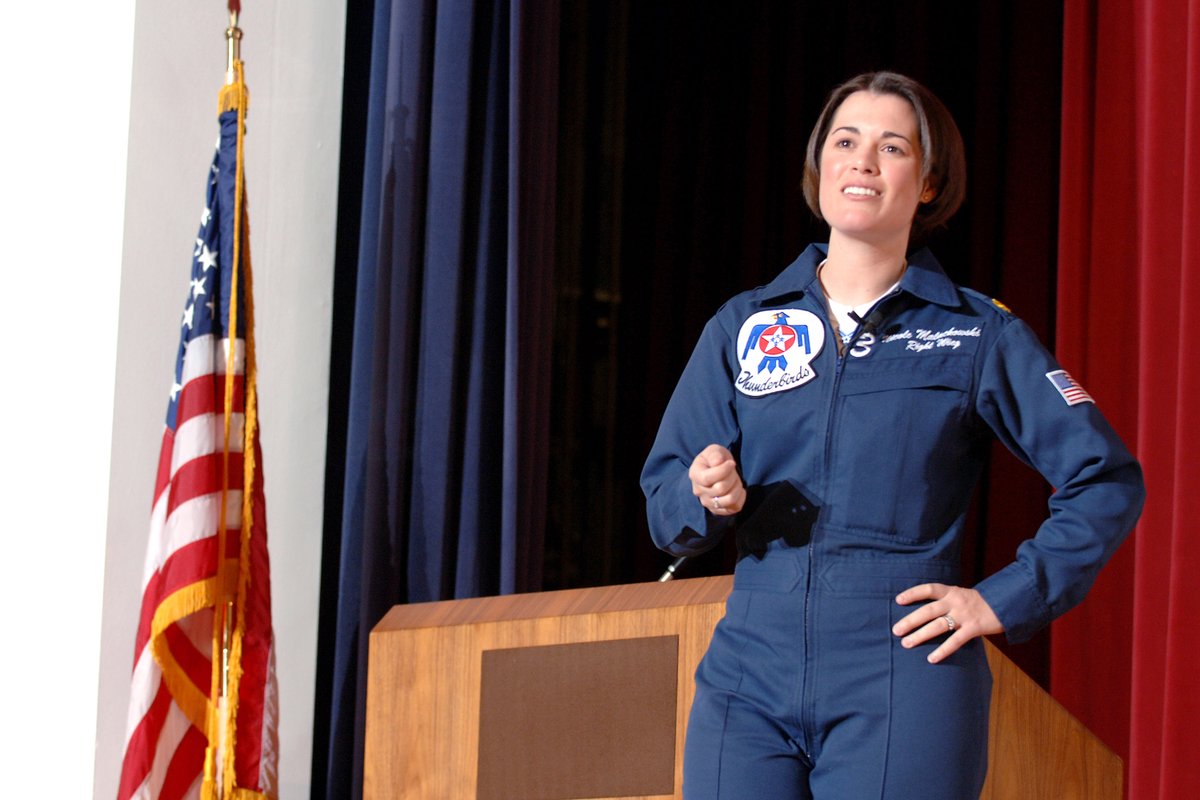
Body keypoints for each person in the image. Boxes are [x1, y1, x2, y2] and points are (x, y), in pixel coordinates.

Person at [640, 71, 1145, 799]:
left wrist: (1009, 595)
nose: (863, 161)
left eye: (892, 146)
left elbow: (1105, 478)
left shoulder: (976, 333)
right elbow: (665, 505)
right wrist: (702, 494)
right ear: (820, 168)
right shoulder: (743, 324)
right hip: (749, 664)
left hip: (900, 667)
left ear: (930, 181)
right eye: (845, 141)